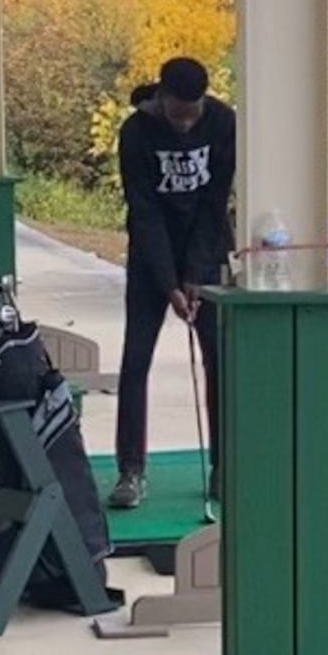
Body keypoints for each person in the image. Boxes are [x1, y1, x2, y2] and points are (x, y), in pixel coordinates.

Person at [110, 55, 236, 512]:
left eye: (193, 114)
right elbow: (143, 212)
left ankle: (225, 467)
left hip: (207, 254)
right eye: (178, 115)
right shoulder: (136, 132)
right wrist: (169, 285)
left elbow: (215, 203)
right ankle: (131, 471)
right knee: (135, 360)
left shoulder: (223, 123)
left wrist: (197, 276)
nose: (186, 125)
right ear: (161, 98)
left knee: (219, 362)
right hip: (150, 260)